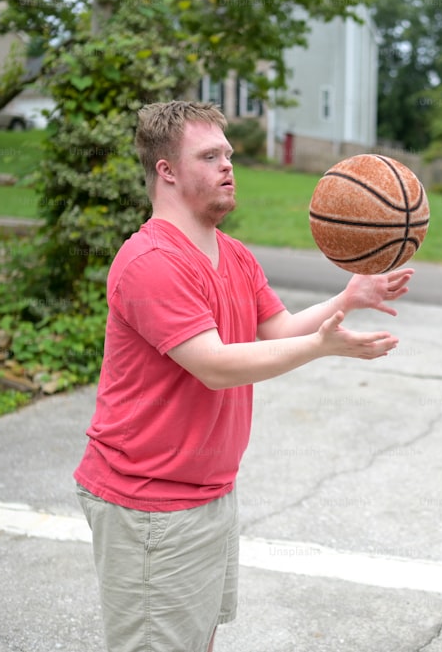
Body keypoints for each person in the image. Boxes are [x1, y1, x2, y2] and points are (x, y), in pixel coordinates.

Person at [73, 100, 413, 652]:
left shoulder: (233, 256)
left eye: (227, 154)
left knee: (197, 642)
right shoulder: (151, 261)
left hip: (208, 494)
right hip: (150, 501)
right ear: (167, 171)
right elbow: (213, 364)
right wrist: (322, 347)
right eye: (209, 156)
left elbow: (276, 330)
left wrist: (348, 297)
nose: (228, 166)